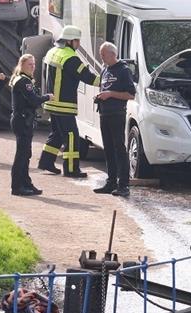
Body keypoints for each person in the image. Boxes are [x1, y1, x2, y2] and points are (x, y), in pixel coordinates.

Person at [37, 25, 100, 177]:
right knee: (72, 136)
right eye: (77, 41)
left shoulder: (52, 52)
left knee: (57, 134)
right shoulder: (70, 58)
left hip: (52, 102)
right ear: (71, 41)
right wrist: (107, 82)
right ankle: (71, 169)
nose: (78, 44)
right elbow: (87, 76)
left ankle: (46, 162)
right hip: (64, 104)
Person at [93, 42, 136, 197]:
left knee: (119, 148)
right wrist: (100, 97)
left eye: (103, 54)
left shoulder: (124, 71)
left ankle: (123, 185)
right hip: (104, 113)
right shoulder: (104, 69)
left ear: (112, 54)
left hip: (117, 114)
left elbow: (131, 94)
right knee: (108, 149)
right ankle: (111, 182)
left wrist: (110, 94)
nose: (101, 57)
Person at [9, 54, 53, 196]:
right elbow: (34, 101)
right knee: (22, 155)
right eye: (30, 64)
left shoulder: (24, 80)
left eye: (34, 64)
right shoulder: (23, 81)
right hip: (22, 120)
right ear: (22, 65)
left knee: (26, 154)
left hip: (23, 120)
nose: (33, 67)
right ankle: (17, 186)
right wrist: (47, 97)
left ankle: (26, 183)